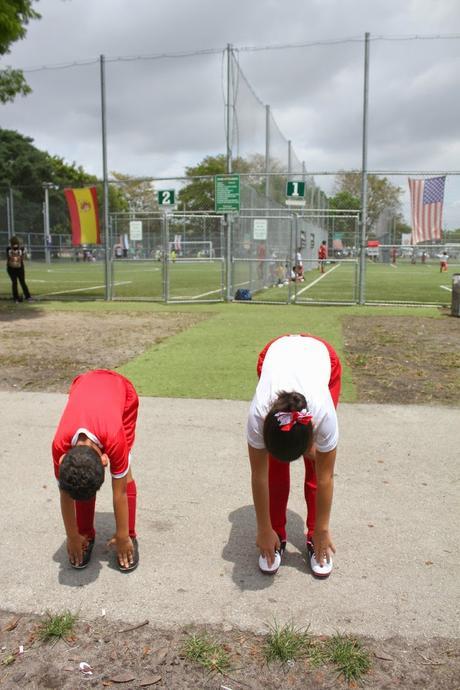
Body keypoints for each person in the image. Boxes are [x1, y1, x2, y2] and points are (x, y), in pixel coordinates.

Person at [247, 334, 341, 579]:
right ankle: (276, 533)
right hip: (275, 351)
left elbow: (326, 478)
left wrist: (321, 529)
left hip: (323, 358)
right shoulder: (259, 414)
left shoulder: (324, 416)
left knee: (316, 466)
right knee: (275, 468)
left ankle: (313, 538)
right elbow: (259, 475)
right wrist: (263, 528)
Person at [52, 370, 140, 572]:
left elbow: (120, 492)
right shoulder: (59, 446)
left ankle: (132, 534)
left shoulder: (115, 439)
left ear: (104, 460)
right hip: (83, 383)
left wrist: (123, 536)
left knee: (124, 472)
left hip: (122, 393)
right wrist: (73, 535)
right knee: (77, 482)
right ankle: (86, 533)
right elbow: (65, 493)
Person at [6, 235, 32, 303]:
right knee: (22, 282)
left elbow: (9, 258)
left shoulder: (8, 248)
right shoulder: (21, 248)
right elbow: (23, 257)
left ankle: (16, 298)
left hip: (11, 268)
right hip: (18, 268)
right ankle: (28, 296)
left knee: (14, 282)